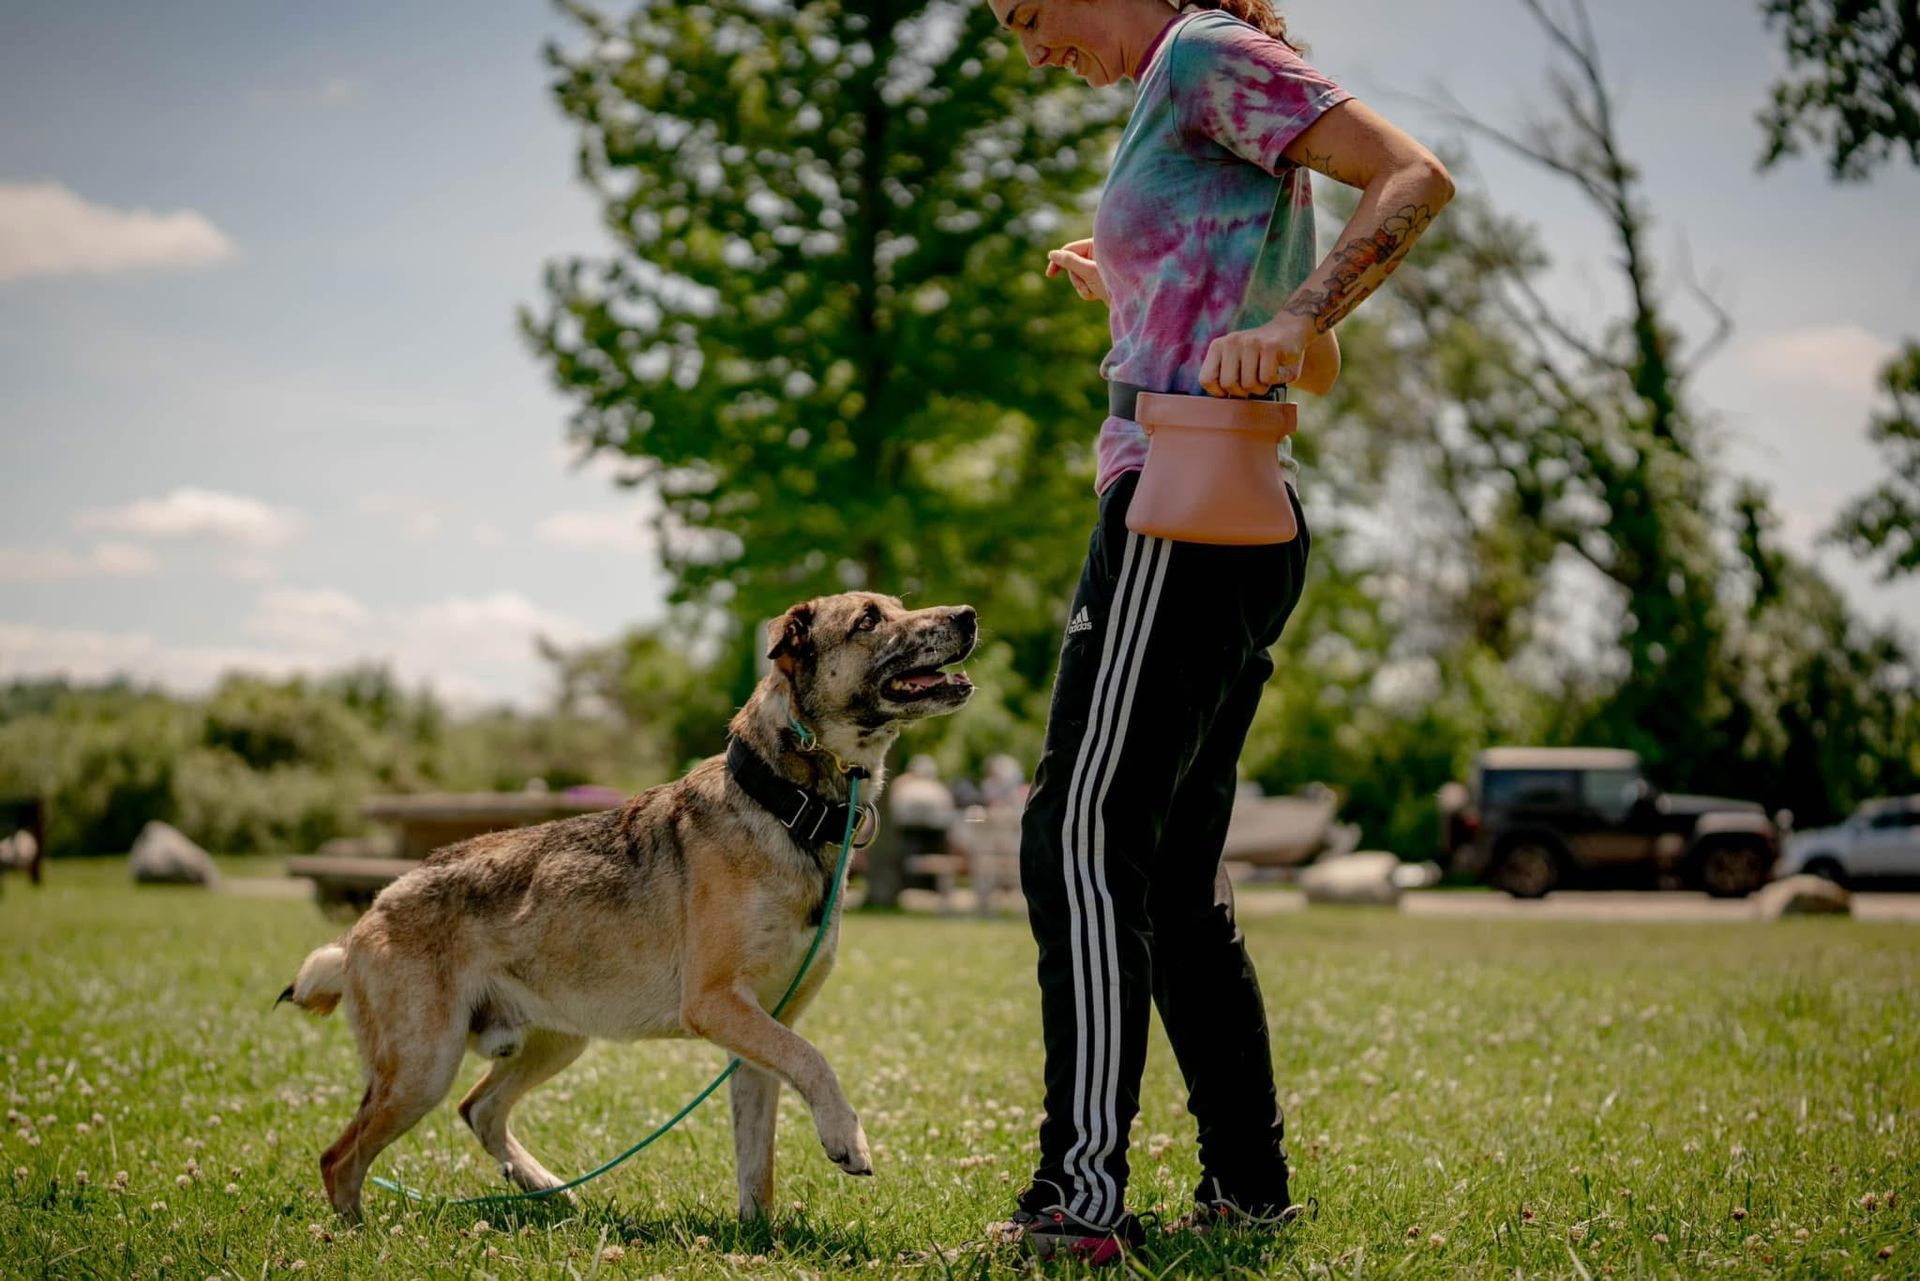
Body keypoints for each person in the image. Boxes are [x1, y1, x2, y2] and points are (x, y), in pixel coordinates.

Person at [982, 0, 1453, 1262]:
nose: (1033, 51)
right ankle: (1248, 1188)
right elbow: (1225, 304)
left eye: (1029, 14)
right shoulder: (1174, 82)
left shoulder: (1201, 51)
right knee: (1174, 874)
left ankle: (1079, 1203)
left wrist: (1302, 320)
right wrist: (1130, 293)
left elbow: (1411, 175)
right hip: (1221, 495)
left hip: (1183, 503)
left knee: (1076, 834)